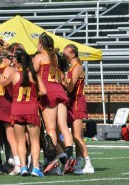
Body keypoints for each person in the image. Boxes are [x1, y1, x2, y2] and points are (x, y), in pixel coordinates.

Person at [33, 32, 75, 174]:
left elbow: (31, 75)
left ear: (41, 44)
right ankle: (69, 157)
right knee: (63, 127)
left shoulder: (39, 57)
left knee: (50, 129)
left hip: (48, 92)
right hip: (59, 90)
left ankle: (52, 160)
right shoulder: (55, 57)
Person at [0, 48, 47, 177]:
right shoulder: (33, 74)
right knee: (35, 141)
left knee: (20, 141)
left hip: (17, 108)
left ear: (18, 60)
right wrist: (33, 95)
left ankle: (23, 167)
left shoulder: (14, 74)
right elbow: (44, 91)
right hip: (31, 108)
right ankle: (36, 168)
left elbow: (2, 84)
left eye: (14, 58)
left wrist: (2, 75)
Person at [61, 44, 94, 174]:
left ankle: (88, 164)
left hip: (77, 103)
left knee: (76, 136)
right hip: (72, 102)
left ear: (72, 53)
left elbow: (70, 87)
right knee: (77, 135)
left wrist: (60, 80)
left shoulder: (77, 67)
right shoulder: (71, 67)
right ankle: (79, 163)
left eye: (65, 52)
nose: (63, 55)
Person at [0, 49, 21, 175]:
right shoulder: (8, 69)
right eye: (10, 57)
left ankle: (15, 162)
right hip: (3, 104)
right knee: (0, 138)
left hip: (3, 105)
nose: (12, 60)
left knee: (2, 138)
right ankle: (13, 161)